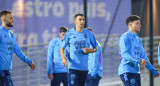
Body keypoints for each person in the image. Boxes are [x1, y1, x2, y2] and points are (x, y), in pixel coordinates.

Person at [118, 15, 159, 86]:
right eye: (137, 23)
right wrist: (138, 60)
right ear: (130, 25)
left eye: (139, 23)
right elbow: (124, 54)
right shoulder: (125, 37)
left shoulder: (138, 40)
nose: (139, 25)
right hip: (127, 70)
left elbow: (144, 57)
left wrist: (153, 70)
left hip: (136, 72)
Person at [60, 13, 97, 86]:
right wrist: (63, 58)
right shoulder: (69, 33)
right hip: (73, 67)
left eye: (83, 20)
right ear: (75, 21)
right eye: (80, 20)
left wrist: (91, 50)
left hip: (84, 68)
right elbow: (62, 48)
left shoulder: (89, 33)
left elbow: (95, 48)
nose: (82, 22)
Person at [0, 10, 36, 86]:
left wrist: (29, 61)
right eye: (10, 18)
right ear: (4, 19)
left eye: (12, 18)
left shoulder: (11, 34)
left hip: (7, 71)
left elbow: (18, 51)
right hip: (2, 71)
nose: (13, 20)